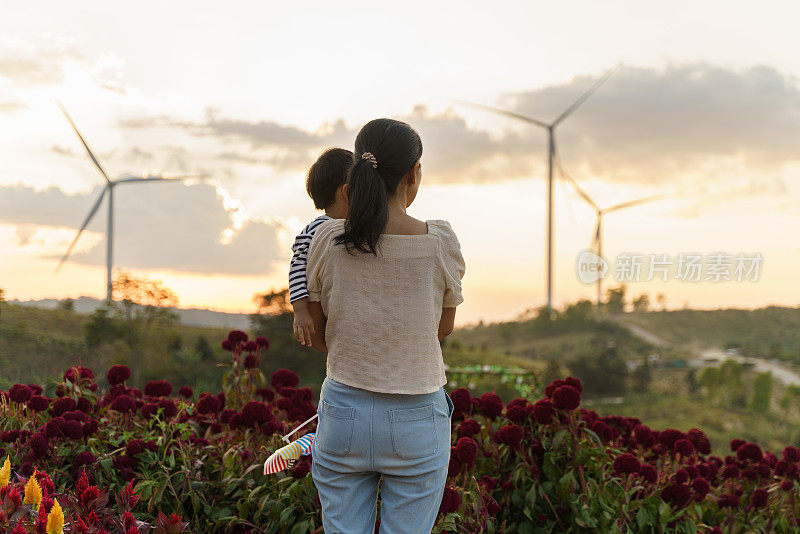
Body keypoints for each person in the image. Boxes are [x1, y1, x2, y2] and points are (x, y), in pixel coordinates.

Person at [304, 118, 465, 533]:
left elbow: (321, 330)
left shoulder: (328, 239)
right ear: (414, 173)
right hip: (416, 415)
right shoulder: (439, 243)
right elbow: (440, 328)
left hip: (343, 412)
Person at [289, 148, 353, 346]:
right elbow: (297, 266)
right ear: (348, 191)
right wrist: (300, 310)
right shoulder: (316, 229)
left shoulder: (352, 228)